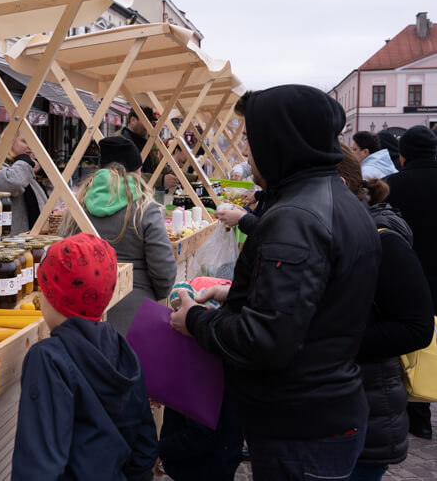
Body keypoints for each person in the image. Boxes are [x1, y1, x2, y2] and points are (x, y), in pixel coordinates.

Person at [170, 85, 381, 481]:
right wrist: (236, 293)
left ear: (279, 140)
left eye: (251, 138)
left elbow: (264, 339)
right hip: (320, 411)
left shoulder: (295, 218)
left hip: (300, 425)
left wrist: (196, 320)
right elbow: (316, 303)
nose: (246, 152)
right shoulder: (335, 198)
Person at [11, 233, 158, 480]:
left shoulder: (48, 359)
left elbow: (37, 466)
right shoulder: (124, 350)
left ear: (51, 296)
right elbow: (145, 448)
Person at [336, 144, 434, 480]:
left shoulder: (380, 238)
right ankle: (422, 424)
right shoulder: (343, 229)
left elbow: (417, 327)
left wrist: (330, 343)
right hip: (348, 407)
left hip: (367, 407)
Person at [59, 135, 176, 334]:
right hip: (136, 316)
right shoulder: (144, 208)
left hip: (84, 315)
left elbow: (61, 258)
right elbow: (164, 272)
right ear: (137, 171)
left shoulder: (77, 206)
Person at [385, 124, 437, 440]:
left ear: (403, 157)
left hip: (408, 275)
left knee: (410, 345)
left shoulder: (393, 185)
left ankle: (417, 414)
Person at [0, 132, 47, 235]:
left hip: (31, 240)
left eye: (32, 143)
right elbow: (13, 183)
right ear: (10, 141)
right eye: (24, 141)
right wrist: (25, 161)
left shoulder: (23, 166)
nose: (30, 146)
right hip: (8, 244)